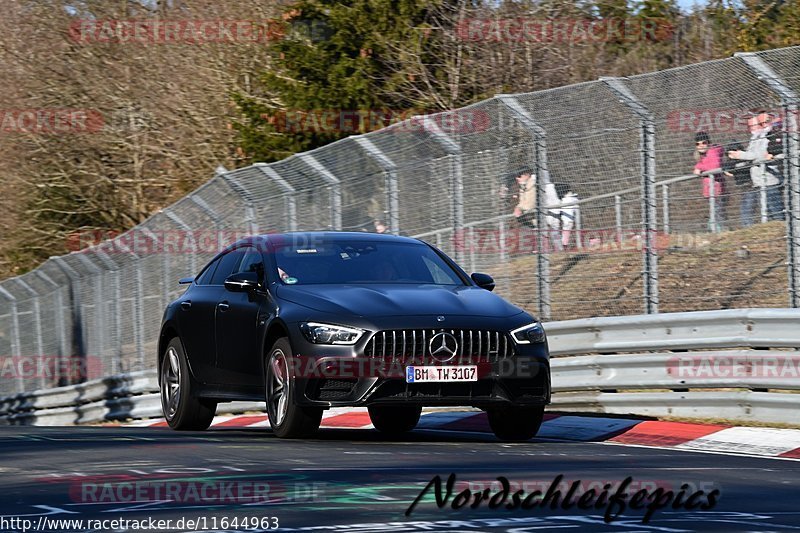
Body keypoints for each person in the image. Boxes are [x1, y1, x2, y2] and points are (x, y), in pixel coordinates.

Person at [728, 112, 784, 226]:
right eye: (750, 126)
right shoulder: (755, 138)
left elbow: (760, 155)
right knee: (768, 214)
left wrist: (741, 155)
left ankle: (785, 234)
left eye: (754, 125)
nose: (751, 129)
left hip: (769, 181)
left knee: (777, 213)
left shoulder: (769, 136)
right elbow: (751, 154)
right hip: (759, 181)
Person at [693, 131, 727, 232]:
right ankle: (714, 230)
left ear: (708, 142)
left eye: (704, 142)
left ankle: (719, 232)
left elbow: (715, 165)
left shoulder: (713, 151)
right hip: (709, 189)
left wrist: (699, 168)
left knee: (717, 212)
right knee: (714, 211)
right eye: (698, 144)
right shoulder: (701, 156)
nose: (701, 145)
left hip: (716, 188)